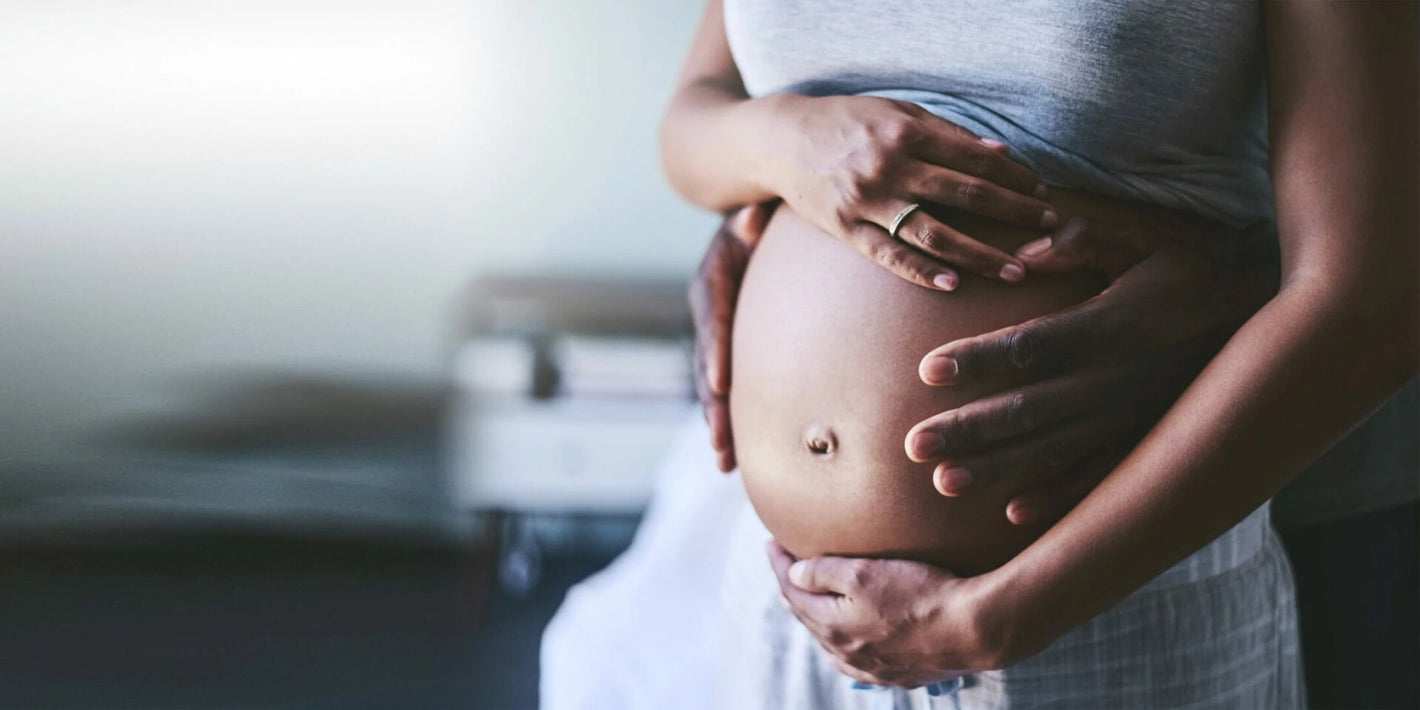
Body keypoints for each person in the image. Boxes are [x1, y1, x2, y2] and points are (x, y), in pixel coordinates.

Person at [661, 1, 1418, 707]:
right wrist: (787, 140)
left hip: (1115, 592)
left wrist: (1001, 617)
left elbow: (1372, 294)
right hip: (793, 608)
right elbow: (694, 113)